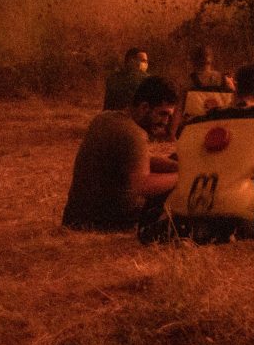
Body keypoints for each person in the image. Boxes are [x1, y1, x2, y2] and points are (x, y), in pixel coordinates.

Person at [157, 63, 254, 240]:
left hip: (190, 207)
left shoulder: (198, 121)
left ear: (236, 87)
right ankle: (241, 224)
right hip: (240, 209)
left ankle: (203, 225)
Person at [63, 75, 179, 231]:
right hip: (106, 224)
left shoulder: (105, 118)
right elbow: (143, 185)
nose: (165, 122)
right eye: (162, 114)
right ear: (144, 107)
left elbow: (132, 159)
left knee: (174, 161)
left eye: (169, 116)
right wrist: (184, 176)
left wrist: (174, 165)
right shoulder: (133, 133)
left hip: (76, 218)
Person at [103, 46, 149, 111]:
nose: (146, 64)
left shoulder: (113, 78)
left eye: (146, 62)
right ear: (131, 61)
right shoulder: (146, 80)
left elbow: (107, 106)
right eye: (143, 61)